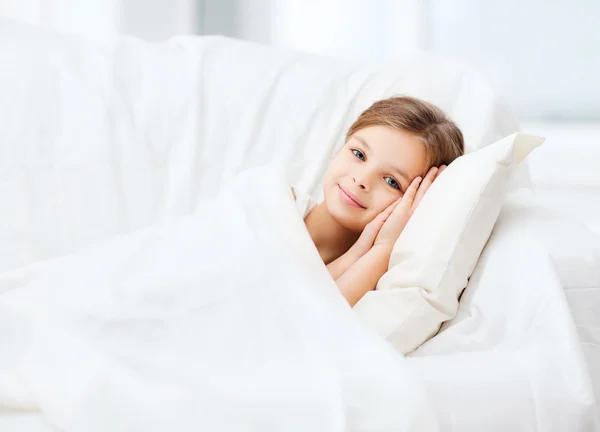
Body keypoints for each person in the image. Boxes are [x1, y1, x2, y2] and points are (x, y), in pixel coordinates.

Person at [293, 96, 464, 306]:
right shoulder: (272, 201)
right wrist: (358, 254)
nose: (362, 180)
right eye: (359, 154)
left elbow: (309, 316)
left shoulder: (381, 281)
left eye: (392, 182)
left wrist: (382, 248)